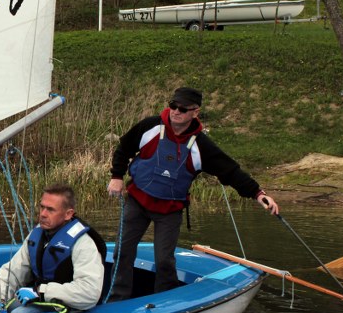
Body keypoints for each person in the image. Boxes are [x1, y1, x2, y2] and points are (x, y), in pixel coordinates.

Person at [106, 87, 279, 301]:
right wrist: (116, 176)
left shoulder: (201, 145)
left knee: (164, 261)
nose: (175, 111)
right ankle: (118, 299)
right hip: (137, 201)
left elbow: (230, 171)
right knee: (122, 252)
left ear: (195, 112)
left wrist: (258, 193)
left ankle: (165, 302)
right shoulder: (150, 126)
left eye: (182, 109)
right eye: (173, 106)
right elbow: (124, 148)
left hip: (169, 211)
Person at [0, 184, 106, 313]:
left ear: (68, 214)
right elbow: (12, 272)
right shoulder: (37, 235)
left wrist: (41, 291)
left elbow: (89, 292)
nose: (43, 214)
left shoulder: (83, 243)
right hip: (37, 297)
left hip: (65, 304)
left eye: (50, 210)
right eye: (42, 207)